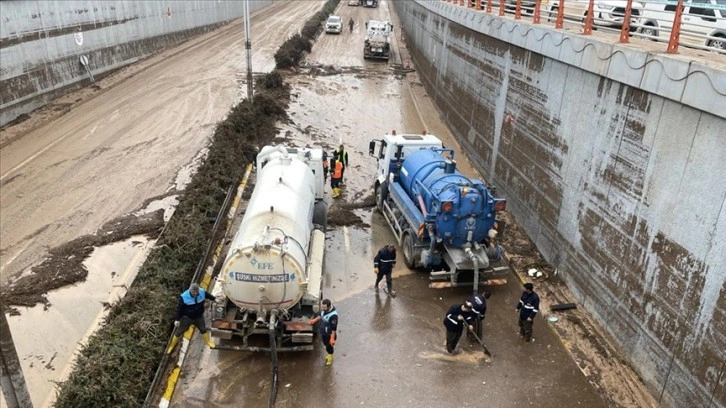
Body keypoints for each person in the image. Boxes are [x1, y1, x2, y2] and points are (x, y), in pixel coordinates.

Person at [166, 283, 216, 354]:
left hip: (198, 316)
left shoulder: (202, 292)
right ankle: (171, 347)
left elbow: (208, 295)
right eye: (194, 292)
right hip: (187, 317)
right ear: (190, 290)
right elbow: (179, 309)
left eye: (197, 291)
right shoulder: (184, 297)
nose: (195, 293)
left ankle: (208, 342)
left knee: (203, 329)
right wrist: (177, 319)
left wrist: (214, 299)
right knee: (179, 332)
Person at [308, 299, 338, 366]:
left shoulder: (333, 316)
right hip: (324, 332)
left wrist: (332, 338)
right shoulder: (325, 310)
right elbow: (321, 315)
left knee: (329, 345)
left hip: (329, 334)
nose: (323, 308)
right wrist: (315, 320)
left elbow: (334, 328)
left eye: (324, 307)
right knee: (326, 344)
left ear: (329, 307)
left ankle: (330, 357)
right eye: (322, 307)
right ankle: (328, 353)